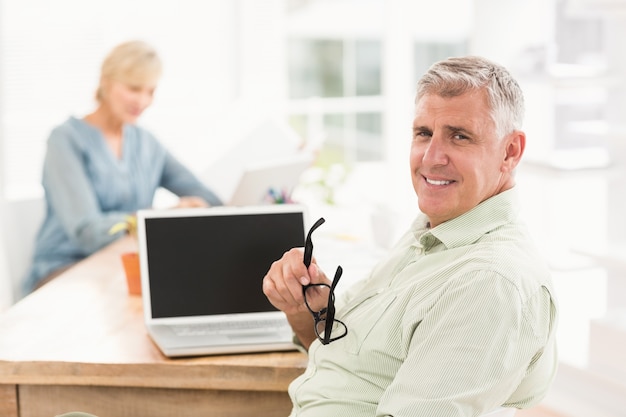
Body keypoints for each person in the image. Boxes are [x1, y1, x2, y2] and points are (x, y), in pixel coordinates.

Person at [262, 56, 558, 416]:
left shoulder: (488, 281)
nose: (431, 157)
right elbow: (346, 363)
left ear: (510, 152)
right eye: (424, 134)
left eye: (459, 136)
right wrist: (306, 305)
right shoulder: (432, 231)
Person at [23, 40, 222, 294]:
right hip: (65, 269)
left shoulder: (146, 143)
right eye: (134, 88)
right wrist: (156, 219)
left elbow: (208, 197)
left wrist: (196, 206)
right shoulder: (65, 140)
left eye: (151, 91)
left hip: (123, 269)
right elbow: (87, 231)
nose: (143, 100)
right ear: (105, 82)